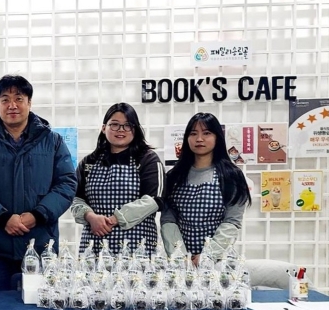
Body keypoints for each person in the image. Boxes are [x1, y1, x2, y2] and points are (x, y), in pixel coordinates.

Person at [0, 75, 77, 291]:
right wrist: (3, 218)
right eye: (5, 99)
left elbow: (66, 184)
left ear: (29, 102)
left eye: (19, 98)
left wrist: (37, 215)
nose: (12, 105)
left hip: (42, 244)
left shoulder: (52, 141)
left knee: (40, 304)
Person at [69, 103, 164, 255]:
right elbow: (75, 198)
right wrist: (90, 216)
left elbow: (154, 200)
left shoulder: (148, 159)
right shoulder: (89, 162)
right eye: (114, 125)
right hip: (94, 244)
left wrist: (114, 219)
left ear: (135, 129)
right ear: (103, 128)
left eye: (127, 125)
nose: (121, 130)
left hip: (137, 245)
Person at [160, 112, 251, 262]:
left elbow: (232, 221)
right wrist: (180, 256)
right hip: (181, 262)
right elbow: (168, 220)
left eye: (206, 133)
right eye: (193, 133)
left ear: (217, 137)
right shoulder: (174, 176)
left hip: (219, 261)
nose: (199, 139)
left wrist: (207, 257)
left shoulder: (231, 175)